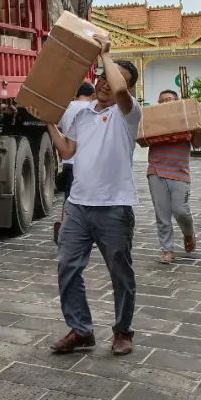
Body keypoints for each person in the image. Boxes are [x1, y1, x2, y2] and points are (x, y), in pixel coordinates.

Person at [46, 38, 141, 357]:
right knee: (67, 266)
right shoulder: (82, 113)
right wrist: (47, 120)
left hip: (114, 207)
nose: (104, 84)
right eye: (101, 77)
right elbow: (67, 150)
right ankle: (81, 329)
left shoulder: (128, 114)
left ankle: (123, 331)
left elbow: (119, 91)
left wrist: (106, 54)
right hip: (78, 205)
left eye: (113, 80)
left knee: (120, 272)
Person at [147, 89, 201, 263]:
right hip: (156, 171)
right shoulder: (154, 121)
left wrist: (197, 131)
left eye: (170, 99)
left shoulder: (185, 119)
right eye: (162, 100)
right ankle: (167, 250)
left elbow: (197, 144)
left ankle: (188, 233)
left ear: (177, 101)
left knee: (181, 211)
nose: (166, 103)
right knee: (162, 214)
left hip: (180, 172)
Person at [53, 82, 96, 244]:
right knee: (85, 201)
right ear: (92, 94)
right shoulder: (92, 108)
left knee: (70, 198)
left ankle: (66, 228)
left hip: (68, 160)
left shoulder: (66, 108)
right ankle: (69, 232)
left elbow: (59, 130)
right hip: (86, 162)